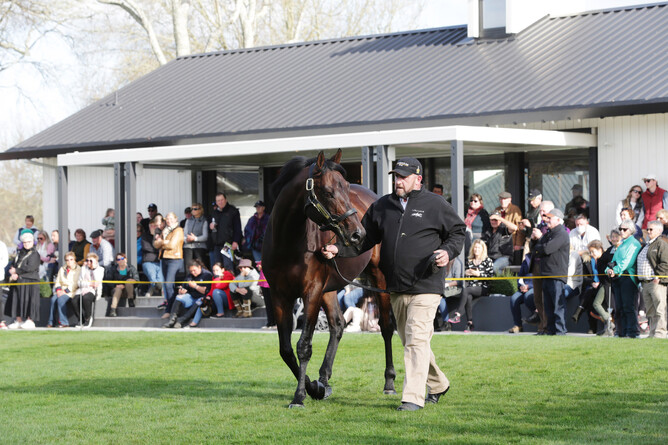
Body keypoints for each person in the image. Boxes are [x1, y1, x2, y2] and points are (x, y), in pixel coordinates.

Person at [322, 156, 466, 411]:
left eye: (403, 177)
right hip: (396, 287)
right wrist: (337, 249)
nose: (398, 181)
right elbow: (363, 240)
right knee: (411, 340)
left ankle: (412, 398)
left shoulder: (435, 204)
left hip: (427, 284)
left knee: (416, 341)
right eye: (396, 177)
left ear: (418, 179)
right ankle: (439, 383)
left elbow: (457, 232)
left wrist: (447, 251)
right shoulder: (382, 206)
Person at [530, 208, 570, 335]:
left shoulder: (561, 234)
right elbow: (535, 249)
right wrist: (537, 243)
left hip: (556, 275)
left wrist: (539, 247)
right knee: (548, 306)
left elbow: (547, 249)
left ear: (558, 220)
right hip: (546, 274)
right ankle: (551, 330)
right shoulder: (549, 233)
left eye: (550, 218)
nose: (547, 220)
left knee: (558, 306)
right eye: (546, 218)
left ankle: (560, 331)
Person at [605, 219, 642, 338]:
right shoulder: (621, 245)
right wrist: (608, 270)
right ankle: (620, 332)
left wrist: (614, 270)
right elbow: (613, 261)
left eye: (624, 229)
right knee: (619, 307)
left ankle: (632, 332)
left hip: (628, 278)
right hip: (618, 278)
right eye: (620, 229)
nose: (621, 231)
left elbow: (628, 262)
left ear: (631, 230)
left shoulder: (634, 243)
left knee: (628, 306)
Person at [449, 239, 494, 332]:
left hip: (483, 287)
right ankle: (470, 323)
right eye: (475, 247)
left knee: (466, 290)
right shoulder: (469, 261)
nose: (476, 249)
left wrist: (479, 274)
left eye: (478, 248)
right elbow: (463, 275)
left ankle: (458, 314)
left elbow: (491, 277)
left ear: (482, 249)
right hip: (471, 287)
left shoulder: (488, 261)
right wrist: (467, 272)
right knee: (468, 297)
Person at [525, 200, 555, 333]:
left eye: (544, 212)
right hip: (536, 264)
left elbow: (551, 246)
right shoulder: (539, 226)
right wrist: (533, 238)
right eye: (541, 211)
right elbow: (532, 248)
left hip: (547, 266)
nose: (541, 214)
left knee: (545, 298)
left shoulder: (556, 228)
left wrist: (541, 236)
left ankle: (547, 325)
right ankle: (542, 325)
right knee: (537, 297)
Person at [636, 220, 668, 338]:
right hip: (645, 283)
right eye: (648, 229)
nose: (648, 231)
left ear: (659, 231)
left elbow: (665, 262)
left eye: (651, 229)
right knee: (650, 310)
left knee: (660, 309)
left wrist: (658, 277)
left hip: (656, 282)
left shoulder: (661, 244)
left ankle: (660, 333)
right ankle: (653, 332)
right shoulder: (647, 244)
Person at [4, 231, 41, 329]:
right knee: (16, 300)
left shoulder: (35, 254)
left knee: (29, 301)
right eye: (24, 242)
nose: (26, 244)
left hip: (30, 281)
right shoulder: (20, 253)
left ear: (32, 242)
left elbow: (30, 268)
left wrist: (16, 271)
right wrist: (13, 272)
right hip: (18, 280)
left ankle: (30, 320)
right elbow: (14, 263)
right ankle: (18, 320)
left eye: (28, 242)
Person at [163, 259, 212, 328]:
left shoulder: (207, 275)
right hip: (191, 297)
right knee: (179, 297)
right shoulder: (190, 275)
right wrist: (181, 290)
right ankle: (172, 320)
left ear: (199, 267)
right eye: (191, 271)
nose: (193, 272)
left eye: (194, 270)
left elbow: (205, 291)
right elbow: (184, 286)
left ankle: (180, 321)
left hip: (202, 298)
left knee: (199, 301)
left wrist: (195, 286)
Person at [154, 212, 184, 317]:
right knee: (167, 286)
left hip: (174, 259)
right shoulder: (165, 230)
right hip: (164, 258)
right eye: (167, 219)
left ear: (176, 219)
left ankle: (170, 309)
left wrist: (162, 242)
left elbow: (171, 245)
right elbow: (155, 244)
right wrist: (164, 242)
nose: (169, 220)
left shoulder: (178, 230)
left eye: (171, 218)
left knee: (169, 284)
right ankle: (170, 308)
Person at [209, 192, 242, 271]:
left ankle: (230, 283)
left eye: (222, 200)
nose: (220, 202)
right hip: (216, 244)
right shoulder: (214, 212)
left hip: (227, 243)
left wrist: (235, 241)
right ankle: (219, 284)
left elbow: (238, 228)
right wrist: (210, 226)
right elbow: (210, 228)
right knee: (217, 267)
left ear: (226, 200)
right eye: (218, 200)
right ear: (216, 202)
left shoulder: (233, 211)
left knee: (228, 265)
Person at [47, 252, 81, 328]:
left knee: (61, 300)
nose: (69, 261)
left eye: (71, 259)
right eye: (67, 260)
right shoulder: (62, 269)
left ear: (74, 260)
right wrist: (58, 290)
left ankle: (64, 322)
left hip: (71, 292)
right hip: (60, 291)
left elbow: (75, 284)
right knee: (53, 300)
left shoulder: (78, 269)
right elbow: (58, 281)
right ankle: (51, 322)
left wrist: (64, 291)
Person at [73, 253, 104, 327]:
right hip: (82, 289)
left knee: (86, 298)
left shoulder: (100, 269)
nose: (88, 262)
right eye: (87, 260)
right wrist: (89, 284)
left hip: (93, 290)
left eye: (91, 261)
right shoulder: (83, 269)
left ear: (96, 262)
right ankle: (81, 319)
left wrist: (94, 268)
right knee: (74, 301)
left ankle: (88, 318)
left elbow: (97, 282)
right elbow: (79, 282)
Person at [494, 191, 524, 265]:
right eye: (501, 199)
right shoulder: (497, 209)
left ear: (510, 199)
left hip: (511, 242)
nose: (502, 201)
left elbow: (519, 228)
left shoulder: (515, 210)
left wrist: (518, 243)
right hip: (499, 243)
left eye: (505, 199)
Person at [106, 252, 140, 317]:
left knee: (128, 281)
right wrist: (116, 285)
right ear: (116, 261)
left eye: (122, 258)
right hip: (117, 290)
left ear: (125, 259)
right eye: (118, 259)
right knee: (118, 289)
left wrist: (129, 282)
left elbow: (137, 280)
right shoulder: (113, 269)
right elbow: (108, 281)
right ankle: (113, 309)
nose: (120, 260)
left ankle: (131, 301)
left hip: (128, 291)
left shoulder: (131, 268)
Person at [508, 254, 534, 334]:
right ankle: (518, 325)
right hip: (523, 287)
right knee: (514, 298)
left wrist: (529, 286)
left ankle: (539, 318)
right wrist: (521, 286)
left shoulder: (540, 258)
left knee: (527, 296)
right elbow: (520, 276)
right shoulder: (526, 260)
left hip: (535, 287)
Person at [436, 257, 463, 332]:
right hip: (441, 288)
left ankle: (446, 323)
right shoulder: (442, 261)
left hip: (454, 288)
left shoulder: (457, 262)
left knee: (440, 297)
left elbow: (458, 281)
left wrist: (447, 284)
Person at [141, 216, 164, 298]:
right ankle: (158, 288)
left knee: (160, 276)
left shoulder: (161, 235)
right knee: (152, 275)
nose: (152, 227)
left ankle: (151, 290)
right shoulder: (144, 236)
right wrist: (157, 249)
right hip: (148, 261)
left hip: (159, 261)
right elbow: (146, 247)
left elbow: (163, 247)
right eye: (151, 226)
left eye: (154, 225)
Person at [183, 202, 210, 269]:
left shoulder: (204, 221)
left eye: (195, 209)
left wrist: (195, 238)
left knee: (200, 266)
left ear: (200, 210)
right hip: (188, 246)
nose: (193, 211)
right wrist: (186, 239)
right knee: (188, 267)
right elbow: (184, 234)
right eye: (192, 209)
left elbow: (205, 236)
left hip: (199, 246)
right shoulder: (188, 220)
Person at [257, 261, 275, 329]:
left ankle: (276, 323)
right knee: (268, 304)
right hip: (264, 282)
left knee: (275, 304)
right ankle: (270, 323)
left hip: (273, 282)